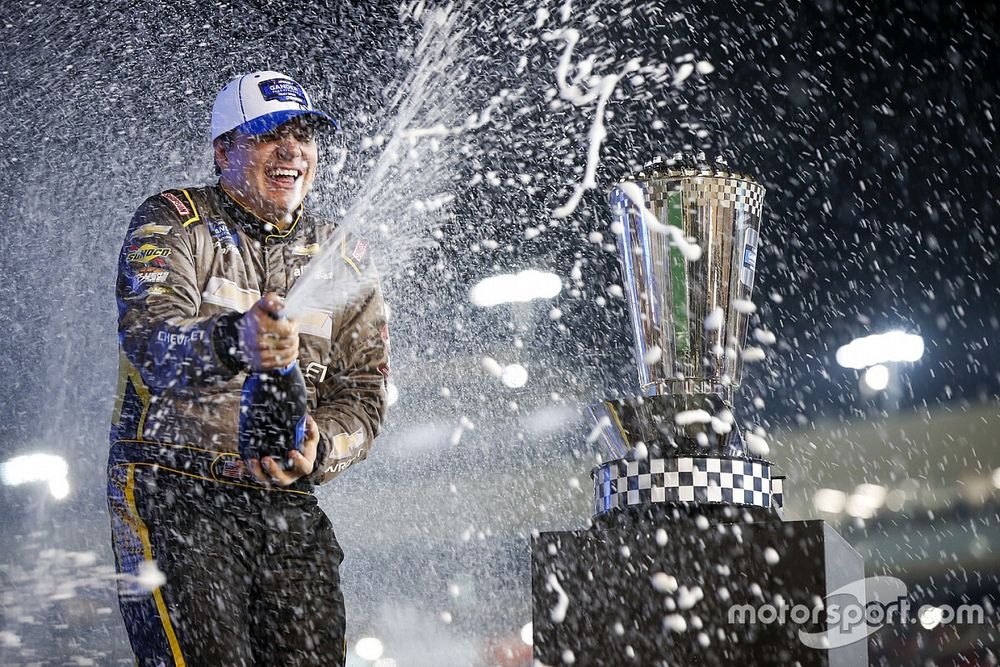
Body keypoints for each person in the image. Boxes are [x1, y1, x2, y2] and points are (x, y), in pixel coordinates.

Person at [106, 71, 390, 666]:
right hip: (172, 489)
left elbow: (364, 394)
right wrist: (240, 340)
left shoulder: (342, 253)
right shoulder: (172, 221)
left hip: (285, 499)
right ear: (223, 152)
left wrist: (323, 445)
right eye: (268, 135)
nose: (292, 151)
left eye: (304, 134)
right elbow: (153, 345)